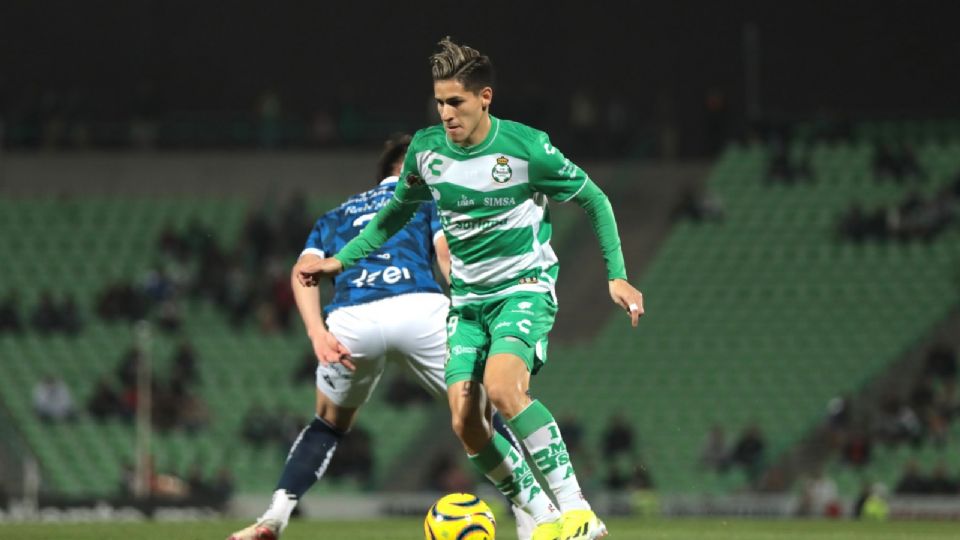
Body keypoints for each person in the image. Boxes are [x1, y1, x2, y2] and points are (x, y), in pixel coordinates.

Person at [298, 37, 644, 540]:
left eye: (456, 101)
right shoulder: (427, 150)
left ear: (485, 98)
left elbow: (594, 199)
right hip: (468, 304)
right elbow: (394, 214)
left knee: (504, 387)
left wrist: (616, 273)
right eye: (439, 102)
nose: (446, 113)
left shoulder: (527, 148)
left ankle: (579, 512)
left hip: (522, 289)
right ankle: (543, 517)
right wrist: (340, 259)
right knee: (466, 423)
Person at [228, 134, 533, 540]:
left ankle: (273, 518)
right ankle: (532, 517)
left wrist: (317, 333)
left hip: (351, 320)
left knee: (328, 425)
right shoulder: (428, 201)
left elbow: (303, 273)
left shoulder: (335, 216)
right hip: (420, 309)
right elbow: (446, 257)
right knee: (484, 413)